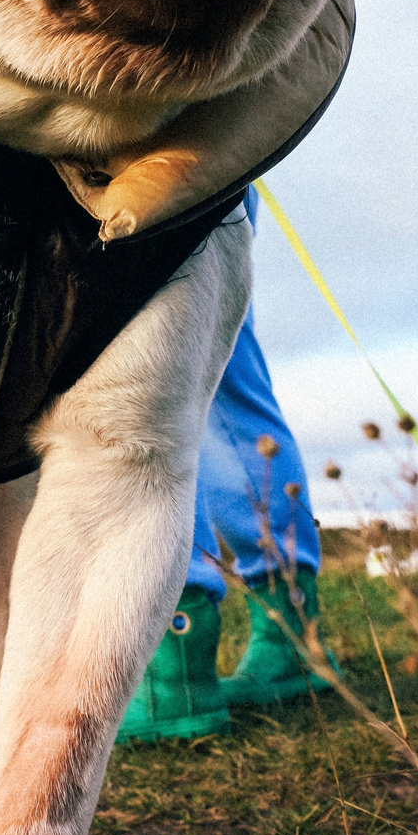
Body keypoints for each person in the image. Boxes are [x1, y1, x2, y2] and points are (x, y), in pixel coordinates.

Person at [119, 200, 338, 742]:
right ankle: (289, 635)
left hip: (146, 152)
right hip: (227, 146)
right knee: (223, 359)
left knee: (148, 347)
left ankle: (178, 665)